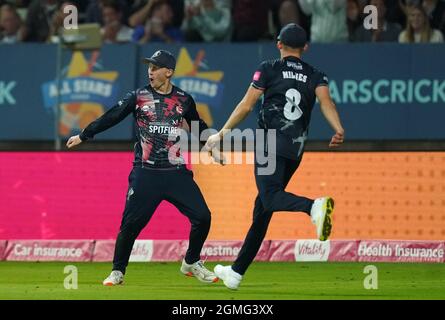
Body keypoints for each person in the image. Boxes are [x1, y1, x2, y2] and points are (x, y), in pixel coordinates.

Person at [205, 23, 345, 290]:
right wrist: (338, 129)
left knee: (269, 197)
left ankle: (313, 207)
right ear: (306, 47)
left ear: (279, 44)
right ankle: (235, 273)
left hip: (270, 142)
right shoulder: (317, 75)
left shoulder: (269, 68)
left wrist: (221, 133)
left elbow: (246, 105)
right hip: (295, 150)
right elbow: (327, 104)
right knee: (263, 209)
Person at [66, 50, 223, 286]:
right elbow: (112, 116)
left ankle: (191, 262)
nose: (150, 70)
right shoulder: (138, 97)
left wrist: (211, 147)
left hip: (175, 172)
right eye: (149, 66)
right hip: (145, 173)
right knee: (130, 224)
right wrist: (84, 135)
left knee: (203, 217)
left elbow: (198, 126)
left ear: (168, 72)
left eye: (156, 67)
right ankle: (118, 271)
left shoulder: (184, 99)